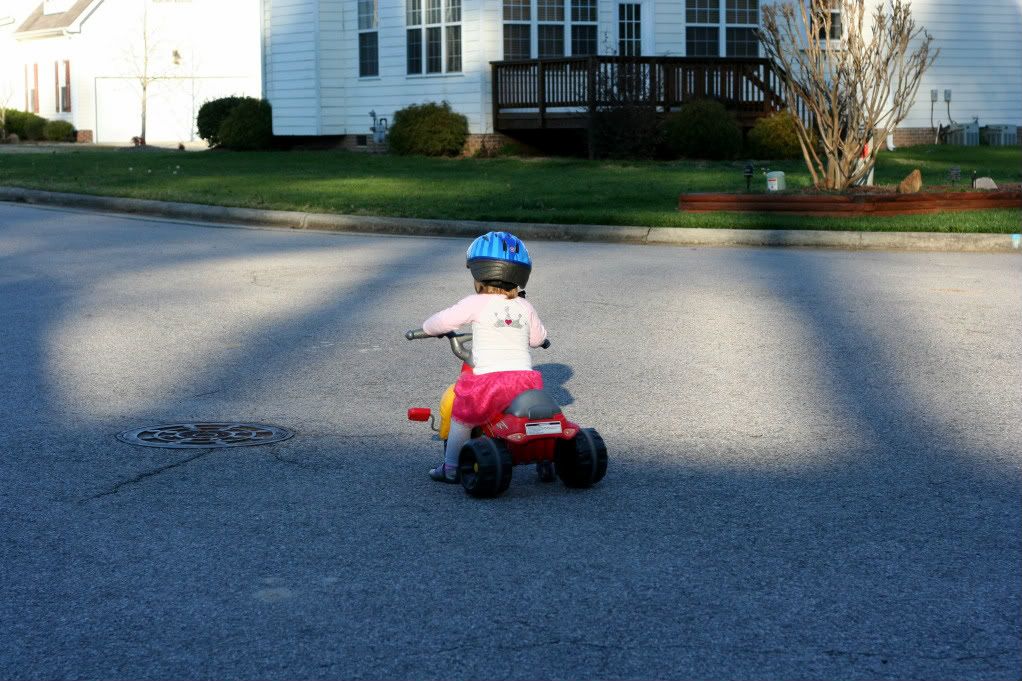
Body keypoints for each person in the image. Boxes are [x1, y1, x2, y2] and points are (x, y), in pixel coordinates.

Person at [421, 231, 548, 482]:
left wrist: (426, 328)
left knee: (462, 418)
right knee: (533, 418)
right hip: (525, 381)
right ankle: (546, 460)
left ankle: (451, 467)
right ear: (521, 274)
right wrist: (543, 340)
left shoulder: (475, 302)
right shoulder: (525, 306)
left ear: (478, 273)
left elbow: (441, 321)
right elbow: (536, 339)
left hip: (487, 383)